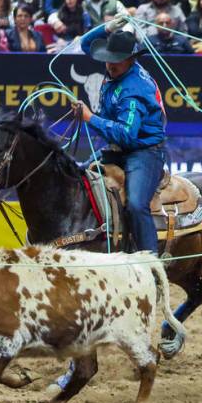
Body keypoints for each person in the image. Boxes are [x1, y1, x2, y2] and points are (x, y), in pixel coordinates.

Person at [76, 23, 167, 255]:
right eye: (108, 58)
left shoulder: (133, 89)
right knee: (78, 177)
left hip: (144, 152)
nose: (109, 64)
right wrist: (106, 28)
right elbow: (86, 44)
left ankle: (151, 261)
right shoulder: (119, 73)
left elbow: (127, 135)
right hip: (120, 149)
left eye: (115, 60)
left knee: (137, 205)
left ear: (130, 59)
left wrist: (90, 118)